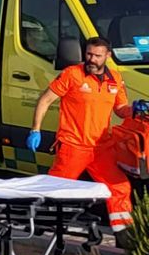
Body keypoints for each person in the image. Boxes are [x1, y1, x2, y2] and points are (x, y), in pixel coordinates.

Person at [29, 36, 135, 238]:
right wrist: (35, 129)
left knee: (120, 187)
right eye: (89, 54)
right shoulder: (72, 74)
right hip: (73, 145)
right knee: (56, 188)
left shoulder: (116, 79)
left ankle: (125, 235)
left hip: (101, 148)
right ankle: (39, 229)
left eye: (97, 55)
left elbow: (121, 109)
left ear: (107, 56)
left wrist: (135, 109)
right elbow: (45, 100)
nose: (92, 59)